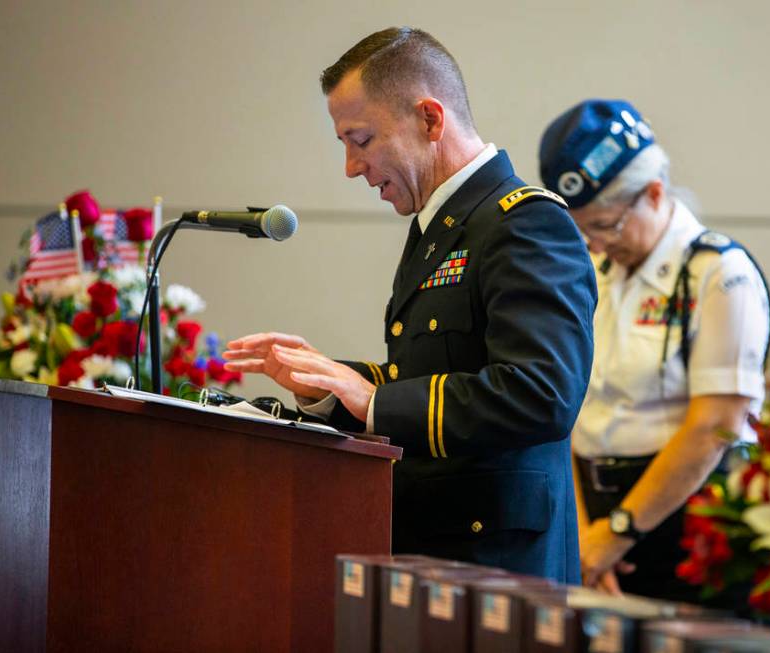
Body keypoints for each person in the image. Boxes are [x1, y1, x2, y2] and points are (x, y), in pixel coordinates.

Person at [223, 28, 596, 584]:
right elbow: (430, 372)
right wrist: (330, 384)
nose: (351, 166)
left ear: (429, 119)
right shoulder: (443, 223)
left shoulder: (523, 221)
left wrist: (375, 403)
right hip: (438, 555)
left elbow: (542, 394)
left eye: (362, 139)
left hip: (500, 570)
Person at [538, 99, 770, 601]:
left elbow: (715, 427)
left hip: (686, 522)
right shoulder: (595, 274)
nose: (594, 244)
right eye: (582, 231)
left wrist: (617, 534)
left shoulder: (718, 273)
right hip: (595, 519)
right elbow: (571, 410)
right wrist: (584, 537)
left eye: (605, 225)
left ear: (654, 193)